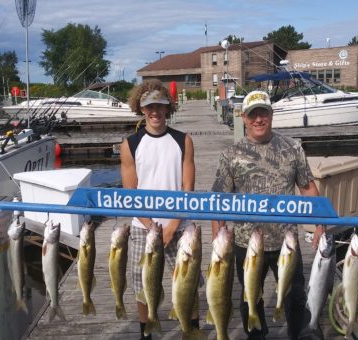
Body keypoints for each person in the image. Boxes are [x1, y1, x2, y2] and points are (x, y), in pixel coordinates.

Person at [211, 90, 324, 340]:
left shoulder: (292, 148)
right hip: (245, 243)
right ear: (243, 117)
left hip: (287, 242)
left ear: (272, 115)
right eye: (253, 114)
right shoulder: (231, 154)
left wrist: (320, 224)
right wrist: (217, 237)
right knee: (250, 297)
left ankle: (299, 334)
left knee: (296, 295)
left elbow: (307, 187)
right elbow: (219, 199)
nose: (258, 119)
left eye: (263, 113)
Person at [120, 79, 199, 340]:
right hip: (144, 226)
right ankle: (147, 333)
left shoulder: (182, 140)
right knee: (143, 286)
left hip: (180, 224)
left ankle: (193, 330)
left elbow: (188, 188)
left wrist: (174, 224)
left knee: (189, 283)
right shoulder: (129, 144)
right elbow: (130, 193)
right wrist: (151, 226)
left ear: (168, 108)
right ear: (141, 109)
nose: (155, 111)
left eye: (160, 106)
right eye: (149, 106)